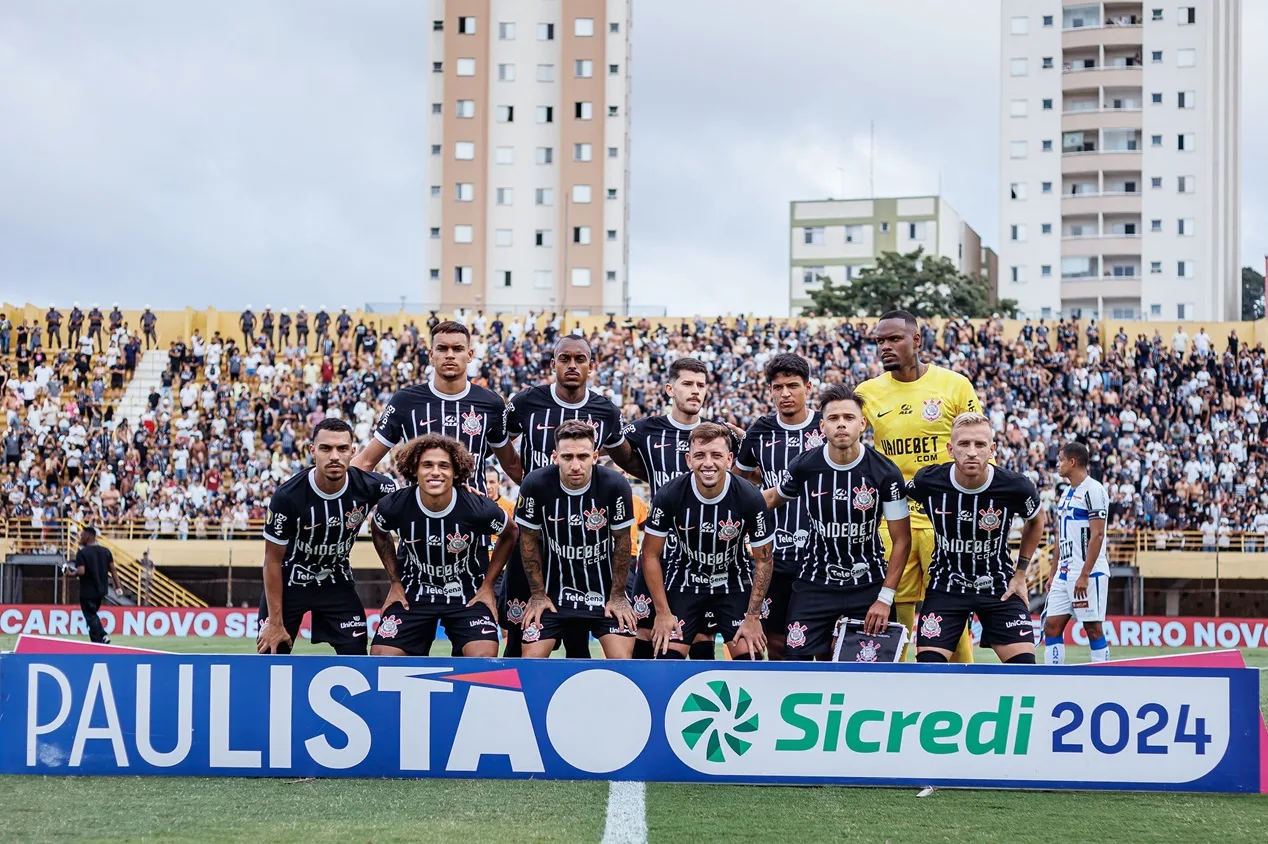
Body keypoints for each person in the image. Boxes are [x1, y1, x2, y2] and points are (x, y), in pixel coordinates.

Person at [855, 309, 983, 663]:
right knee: (894, 611)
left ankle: (963, 686)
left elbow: (979, 442)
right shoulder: (866, 393)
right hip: (890, 522)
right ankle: (898, 689)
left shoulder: (954, 385)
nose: (885, 347)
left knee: (950, 607)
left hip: (944, 519)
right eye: (880, 341)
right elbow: (844, 444)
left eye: (894, 338)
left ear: (916, 340)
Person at [501, 335, 639, 657]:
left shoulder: (605, 410)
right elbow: (500, 447)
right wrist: (529, 482)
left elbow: (625, 458)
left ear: (592, 366)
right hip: (534, 533)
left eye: (580, 359)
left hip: (585, 536)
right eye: (565, 359)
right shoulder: (525, 403)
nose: (572, 365)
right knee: (519, 633)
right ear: (553, 364)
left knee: (578, 636)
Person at [761, 384, 911, 660]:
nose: (841, 424)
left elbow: (902, 539)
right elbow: (771, 499)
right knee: (794, 661)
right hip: (815, 582)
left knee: (867, 668)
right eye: (833, 418)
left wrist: (885, 597)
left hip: (868, 583)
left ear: (862, 424)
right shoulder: (805, 466)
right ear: (822, 426)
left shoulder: (885, 472)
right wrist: (727, 500)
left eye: (848, 418)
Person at [906, 412, 1046, 664]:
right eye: (964, 444)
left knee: (1025, 671)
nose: (972, 452)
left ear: (992, 449)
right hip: (946, 587)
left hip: (999, 586)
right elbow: (894, 498)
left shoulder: (1015, 486)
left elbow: (1036, 520)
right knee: (927, 672)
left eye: (980, 444)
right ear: (950, 449)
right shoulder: (928, 481)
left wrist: (1021, 572)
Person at [624, 356, 738, 659]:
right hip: (659, 556)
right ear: (669, 388)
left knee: (702, 639)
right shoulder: (644, 431)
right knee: (646, 637)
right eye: (688, 384)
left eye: (701, 385)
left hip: (705, 557)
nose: (695, 391)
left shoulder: (721, 436)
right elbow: (612, 452)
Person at [256, 418, 397, 656]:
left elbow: (416, 502)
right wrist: (276, 624)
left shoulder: (374, 487)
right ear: (312, 451)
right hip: (290, 583)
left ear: (353, 452)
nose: (334, 456)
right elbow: (272, 561)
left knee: (356, 656)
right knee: (272, 652)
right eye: (325, 448)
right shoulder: (287, 496)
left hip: (336, 580)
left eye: (342, 449)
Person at [369, 434, 518, 657]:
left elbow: (511, 532)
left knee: (483, 657)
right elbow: (379, 531)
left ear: (456, 472)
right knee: (382, 657)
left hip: (467, 593)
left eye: (444, 466)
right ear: (414, 470)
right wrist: (395, 582)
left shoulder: (477, 507)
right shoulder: (394, 506)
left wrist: (488, 586)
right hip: (413, 592)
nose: (436, 472)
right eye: (427, 465)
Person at [644, 422, 775, 659]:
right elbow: (650, 554)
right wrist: (662, 612)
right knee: (666, 657)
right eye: (699, 455)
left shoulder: (749, 497)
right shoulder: (669, 494)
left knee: (751, 658)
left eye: (716, 455)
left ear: (729, 459)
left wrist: (753, 617)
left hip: (733, 582)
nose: (708, 463)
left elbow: (764, 561)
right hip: (685, 580)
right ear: (688, 459)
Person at [516, 419, 639, 659]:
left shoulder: (616, 485)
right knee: (529, 663)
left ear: (595, 456)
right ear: (555, 456)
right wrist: (538, 595)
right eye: (567, 457)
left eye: (582, 457)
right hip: (553, 594)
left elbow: (623, 543)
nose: (575, 465)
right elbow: (528, 541)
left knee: (624, 664)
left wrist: (617, 596)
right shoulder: (535, 484)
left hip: (604, 593)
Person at [352, 320, 522, 490]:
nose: (450, 355)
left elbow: (512, 465)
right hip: (419, 511)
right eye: (442, 349)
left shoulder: (491, 403)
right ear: (431, 355)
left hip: (473, 511)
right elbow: (366, 460)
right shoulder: (405, 401)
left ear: (469, 355)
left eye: (457, 349)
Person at [734, 353, 824, 660]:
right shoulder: (759, 431)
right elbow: (739, 484)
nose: (785, 393)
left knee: (823, 642)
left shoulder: (826, 427)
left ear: (808, 387)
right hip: (775, 553)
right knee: (777, 642)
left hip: (820, 553)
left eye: (792, 386)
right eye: (777, 387)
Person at [1043, 441, 1111, 664]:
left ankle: (1103, 679)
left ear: (1072, 462)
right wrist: (1053, 574)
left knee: (1092, 629)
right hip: (1064, 574)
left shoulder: (1094, 490)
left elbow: (1098, 535)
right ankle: (1053, 679)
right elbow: (1060, 537)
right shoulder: (1067, 493)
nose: (1058, 465)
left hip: (1087, 574)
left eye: (1061, 460)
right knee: (1051, 626)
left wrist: (1084, 574)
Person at [74, 526, 120, 644]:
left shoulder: (82, 553)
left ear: (88, 537)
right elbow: (113, 570)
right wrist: (118, 587)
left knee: (90, 616)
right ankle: (103, 636)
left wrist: (70, 573)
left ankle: (97, 642)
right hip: (102, 591)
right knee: (92, 614)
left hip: (87, 590)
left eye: (82, 535)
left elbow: (81, 571)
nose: (80, 537)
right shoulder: (106, 551)